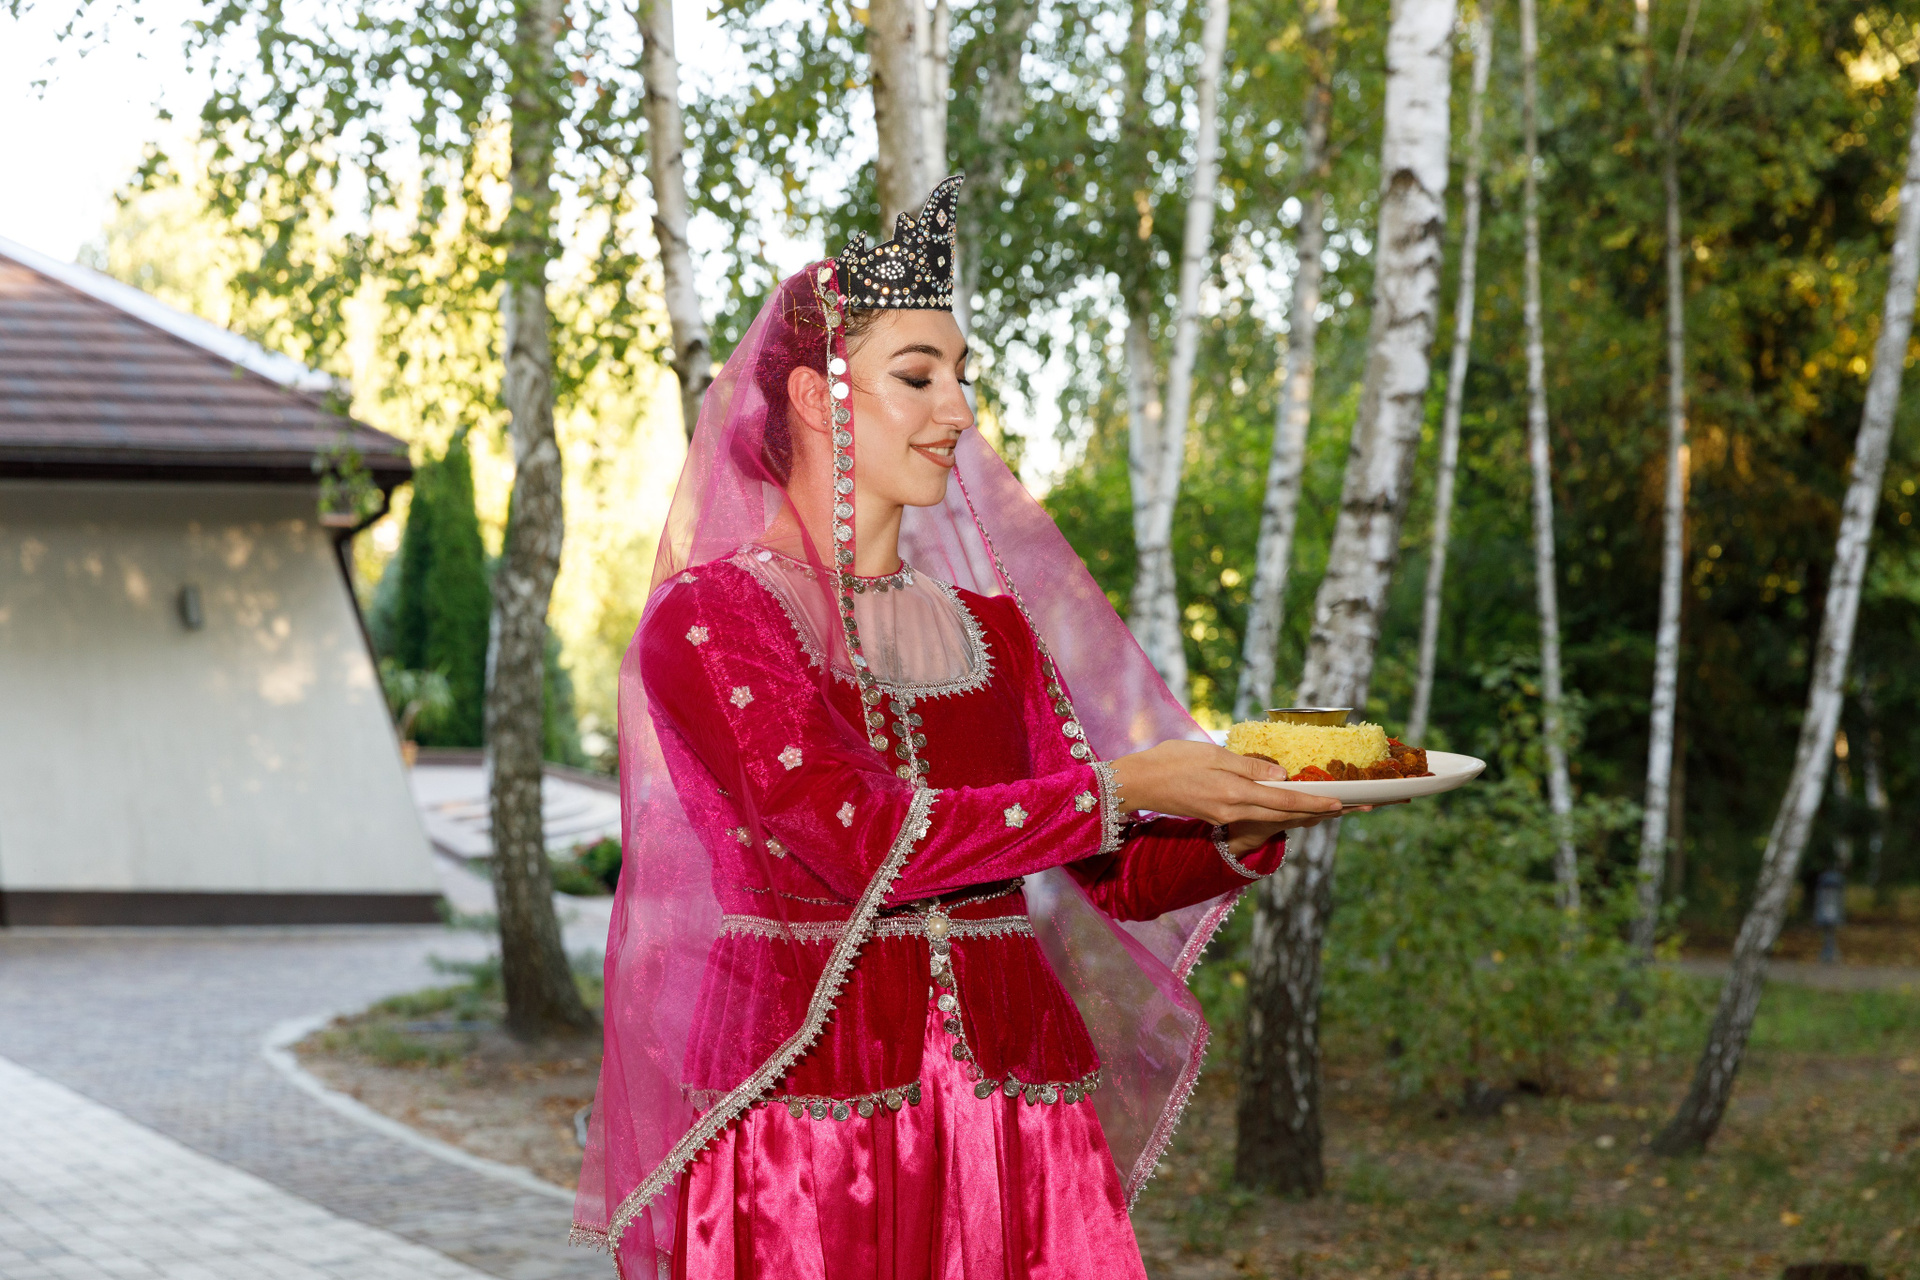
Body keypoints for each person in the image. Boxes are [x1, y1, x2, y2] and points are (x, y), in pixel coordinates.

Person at [572, 175, 1342, 1279]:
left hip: (1013, 1119)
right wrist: (1126, 785)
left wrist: (1250, 817)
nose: (960, 412)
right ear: (813, 395)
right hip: (807, 1122)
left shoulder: (997, 631)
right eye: (918, 375)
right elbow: (855, 834)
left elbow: (1112, 870)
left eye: (961, 377)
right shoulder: (711, 620)